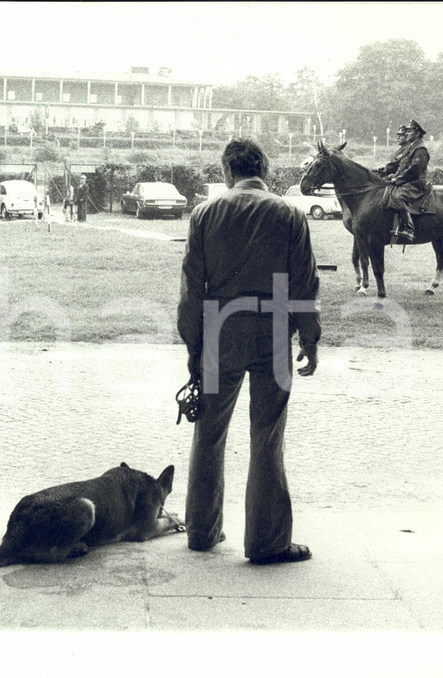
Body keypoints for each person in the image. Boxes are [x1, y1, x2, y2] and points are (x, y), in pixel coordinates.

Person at [177, 139, 320, 565]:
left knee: (209, 434)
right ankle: (266, 541)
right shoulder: (288, 213)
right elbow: (303, 286)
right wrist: (309, 339)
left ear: (227, 170)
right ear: (265, 167)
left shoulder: (206, 213)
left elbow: (191, 289)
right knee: (267, 438)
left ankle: (202, 532)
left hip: (221, 329)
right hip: (273, 328)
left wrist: (193, 345)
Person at [383, 119, 430, 242]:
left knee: (398, 196)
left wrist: (397, 179)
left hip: (416, 183)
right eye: (407, 131)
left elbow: (414, 170)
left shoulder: (421, 149)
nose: (407, 133)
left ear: (417, 133)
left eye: (409, 131)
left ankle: (409, 229)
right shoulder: (411, 148)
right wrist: (393, 175)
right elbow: (402, 166)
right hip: (407, 181)